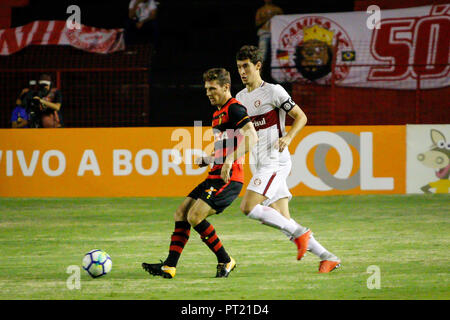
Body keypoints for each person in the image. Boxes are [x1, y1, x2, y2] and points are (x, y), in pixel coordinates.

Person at [142, 68, 258, 279]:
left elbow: (252, 137)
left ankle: (226, 260)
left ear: (226, 87)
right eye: (206, 89)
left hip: (229, 178)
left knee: (195, 216)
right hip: (214, 174)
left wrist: (230, 160)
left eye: (212, 88)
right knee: (181, 214)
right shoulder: (217, 113)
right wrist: (208, 159)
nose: (208, 93)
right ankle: (169, 266)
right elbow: (225, 145)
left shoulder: (235, 109)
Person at [235, 45, 340, 273]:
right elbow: (247, 135)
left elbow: (301, 117)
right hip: (260, 163)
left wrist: (289, 137)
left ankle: (302, 233)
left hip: (275, 160)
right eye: (239, 67)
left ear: (258, 66)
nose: (242, 72)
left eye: (246, 66)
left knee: (248, 207)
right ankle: (328, 257)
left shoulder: (274, 91)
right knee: (283, 219)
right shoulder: (240, 98)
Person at [255, 0, 283, 79]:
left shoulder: (278, 9)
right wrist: (267, 18)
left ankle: (280, 76)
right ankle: (259, 77)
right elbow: (257, 23)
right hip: (264, 33)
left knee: (278, 54)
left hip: (276, 34)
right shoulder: (260, 10)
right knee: (262, 55)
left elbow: (283, 21)